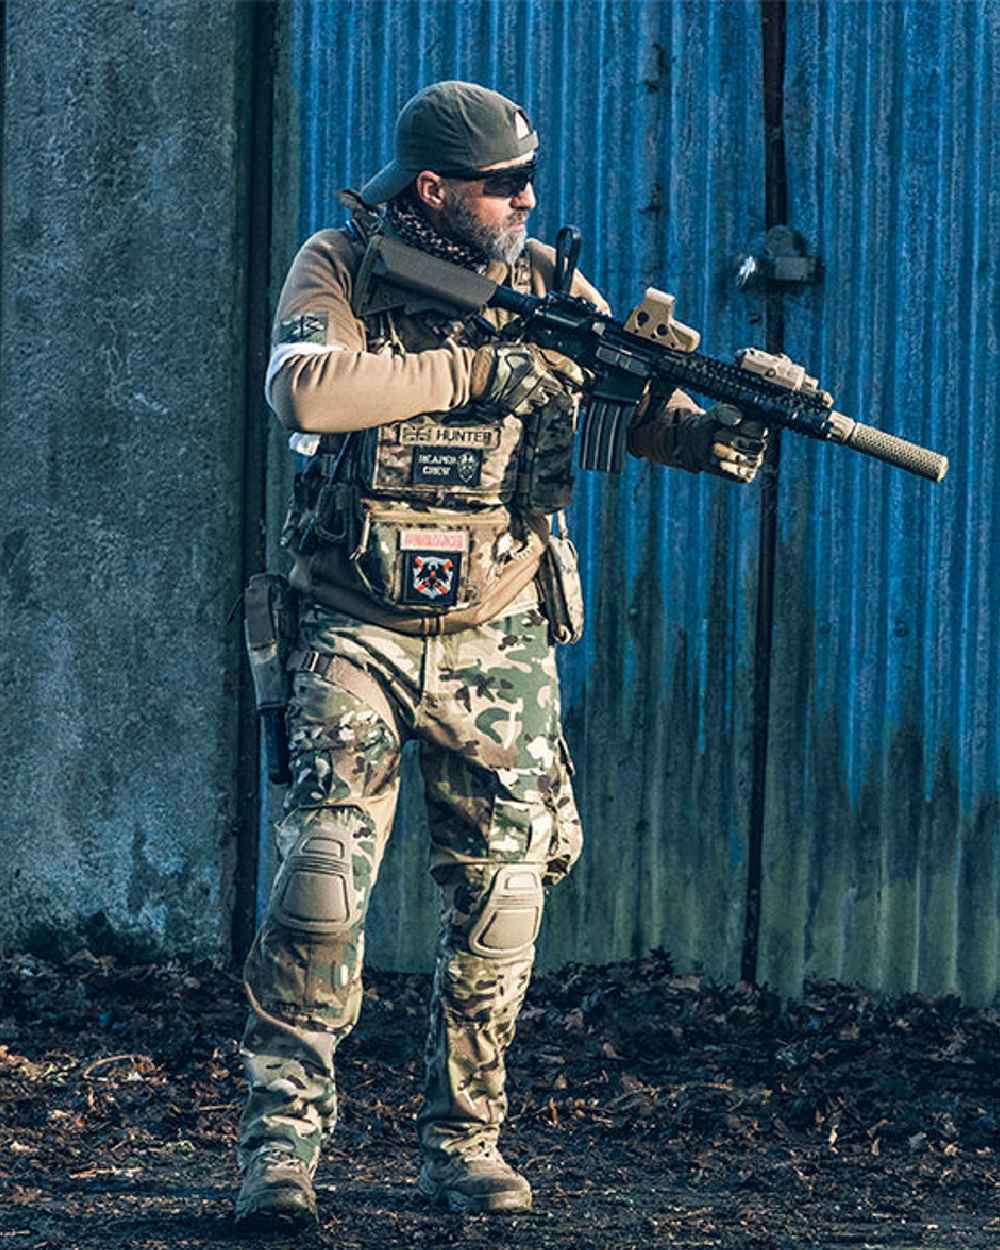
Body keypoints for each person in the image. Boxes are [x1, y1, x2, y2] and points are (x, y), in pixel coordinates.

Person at [234, 80, 766, 1231]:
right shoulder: (341, 264)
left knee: (503, 898)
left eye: (528, 181)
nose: (525, 200)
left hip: (497, 628)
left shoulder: (548, 287)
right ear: (433, 190)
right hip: (355, 626)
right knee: (320, 888)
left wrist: (728, 425)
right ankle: (279, 1149)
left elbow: (635, 408)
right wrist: (475, 370)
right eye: (501, 185)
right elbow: (305, 389)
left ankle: (464, 1142)